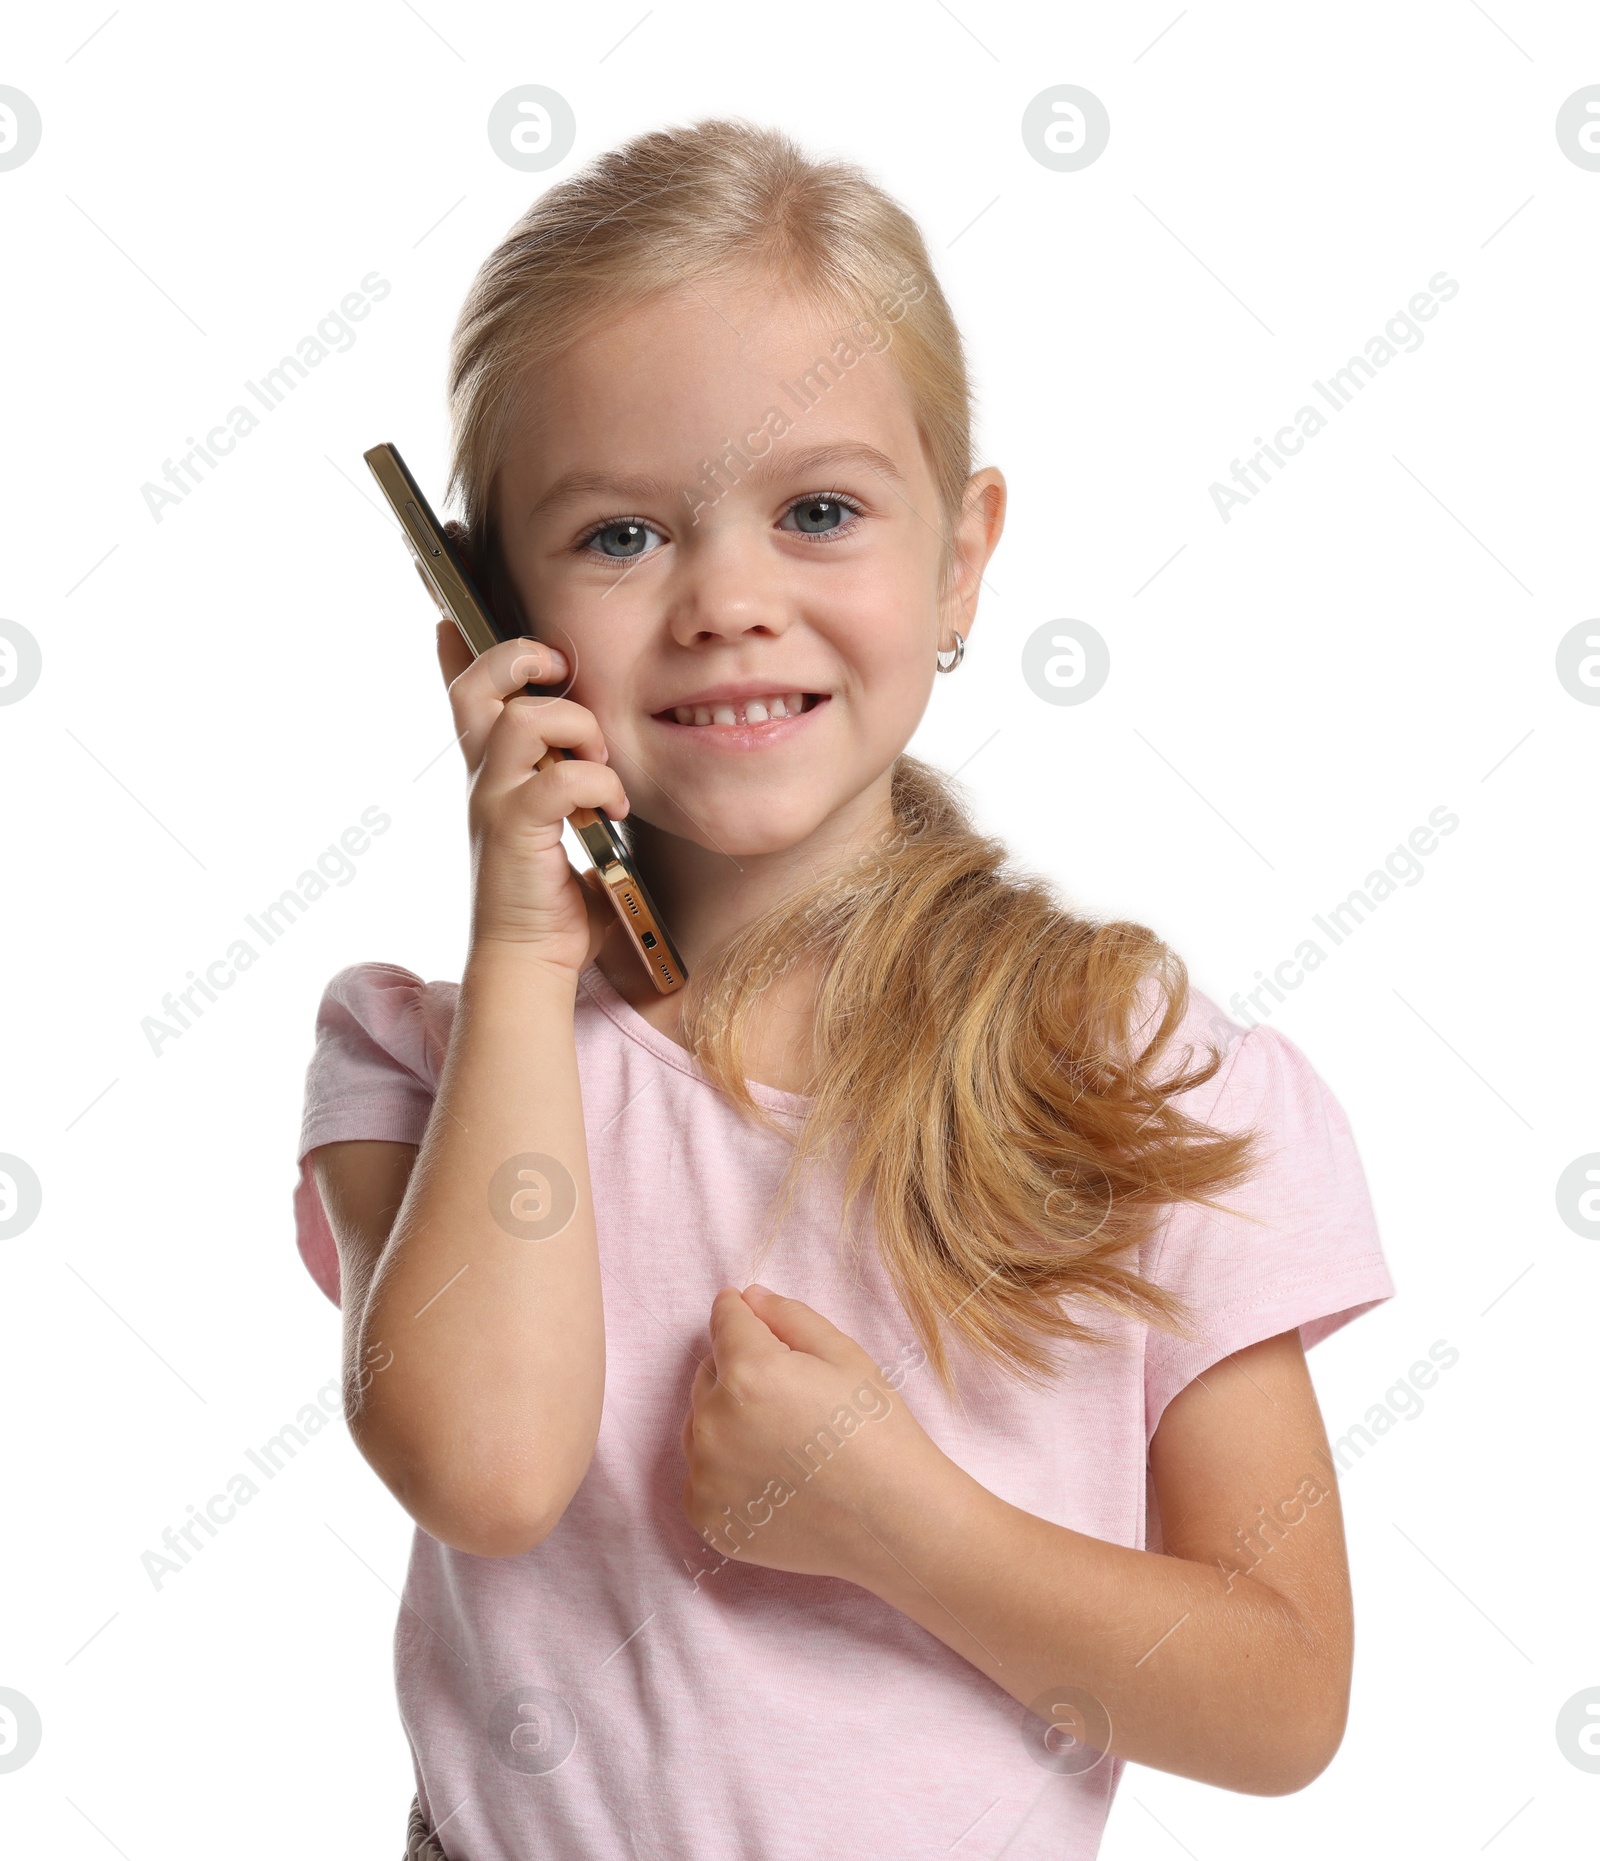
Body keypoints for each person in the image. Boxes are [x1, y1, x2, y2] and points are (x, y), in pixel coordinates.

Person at [293, 117, 1394, 1861]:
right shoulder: (421, 1064)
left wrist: (907, 1525)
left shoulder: (1136, 1079)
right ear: (486, 628)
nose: (732, 599)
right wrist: (520, 948)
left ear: (959, 560)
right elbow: (488, 1471)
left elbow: (1281, 1698)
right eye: (623, 535)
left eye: (817, 511)